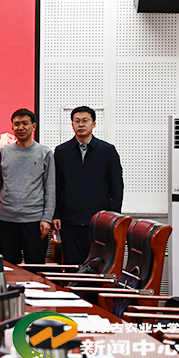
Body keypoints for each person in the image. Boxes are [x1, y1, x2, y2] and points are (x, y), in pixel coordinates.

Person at [53, 106, 124, 265]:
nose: (81, 124)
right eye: (77, 121)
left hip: (99, 221)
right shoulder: (62, 151)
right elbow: (55, 185)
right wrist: (55, 214)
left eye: (85, 121)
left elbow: (117, 186)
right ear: (72, 125)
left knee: (97, 266)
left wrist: (112, 216)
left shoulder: (107, 151)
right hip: (69, 220)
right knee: (72, 265)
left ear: (94, 124)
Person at [0, 109, 55, 265]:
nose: (20, 127)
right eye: (17, 124)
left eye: (25, 123)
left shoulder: (45, 152)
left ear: (34, 126)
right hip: (6, 220)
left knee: (35, 268)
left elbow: (50, 188)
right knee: (9, 268)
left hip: (35, 221)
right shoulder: (4, 151)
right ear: (12, 127)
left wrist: (47, 219)